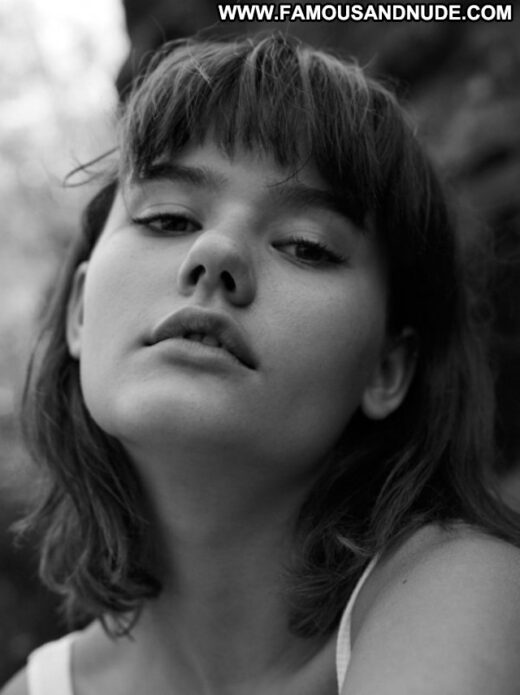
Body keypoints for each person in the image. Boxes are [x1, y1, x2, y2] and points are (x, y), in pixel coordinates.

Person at [3, 34, 520, 695]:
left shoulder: (465, 593)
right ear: (79, 310)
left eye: (305, 246)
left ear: (387, 368)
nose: (216, 253)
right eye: (167, 219)